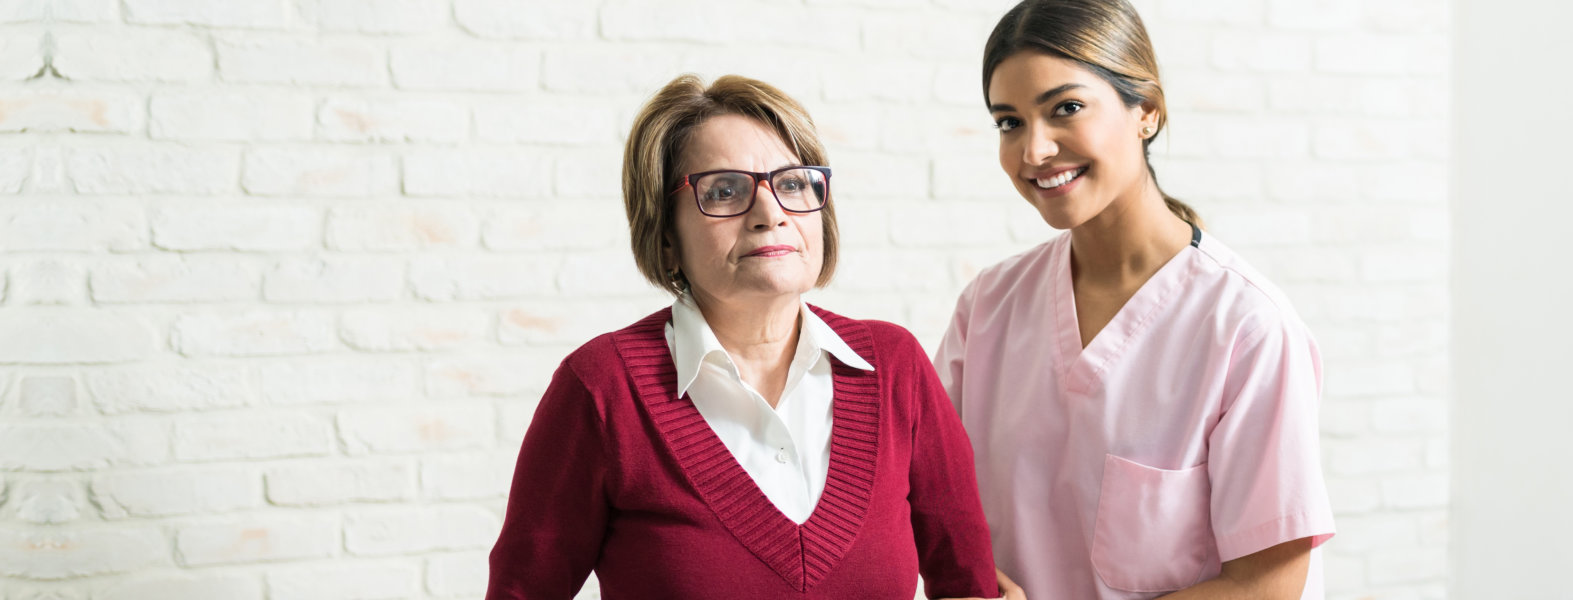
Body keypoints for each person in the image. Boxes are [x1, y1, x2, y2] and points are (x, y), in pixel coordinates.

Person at [487, 74, 998, 600]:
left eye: (794, 184)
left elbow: (969, 585)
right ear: (666, 233)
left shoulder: (896, 367)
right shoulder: (600, 388)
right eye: (724, 190)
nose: (770, 213)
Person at [934, 1, 1337, 598]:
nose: (1033, 150)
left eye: (1065, 108)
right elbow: (934, 507)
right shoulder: (988, 306)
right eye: (1009, 122)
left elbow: (1267, 587)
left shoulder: (1246, 327)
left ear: (1146, 111)